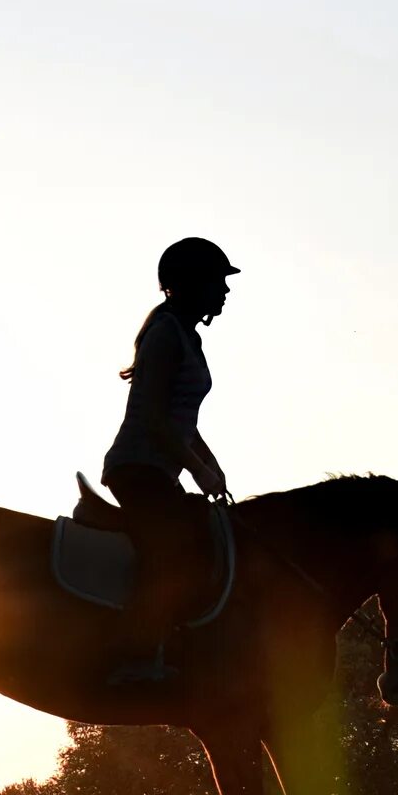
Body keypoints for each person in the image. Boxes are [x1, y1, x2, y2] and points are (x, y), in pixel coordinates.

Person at [100, 236, 236, 683]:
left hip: (158, 469)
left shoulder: (186, 335)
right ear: (190, 284)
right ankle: (133, 657)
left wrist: (210, 465)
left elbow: (183, 423)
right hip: (138, 468)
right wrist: (196, 468)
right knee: (171, 552)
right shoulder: (164, 334)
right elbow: (156, 417)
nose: (225, 291)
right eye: (218, 281)